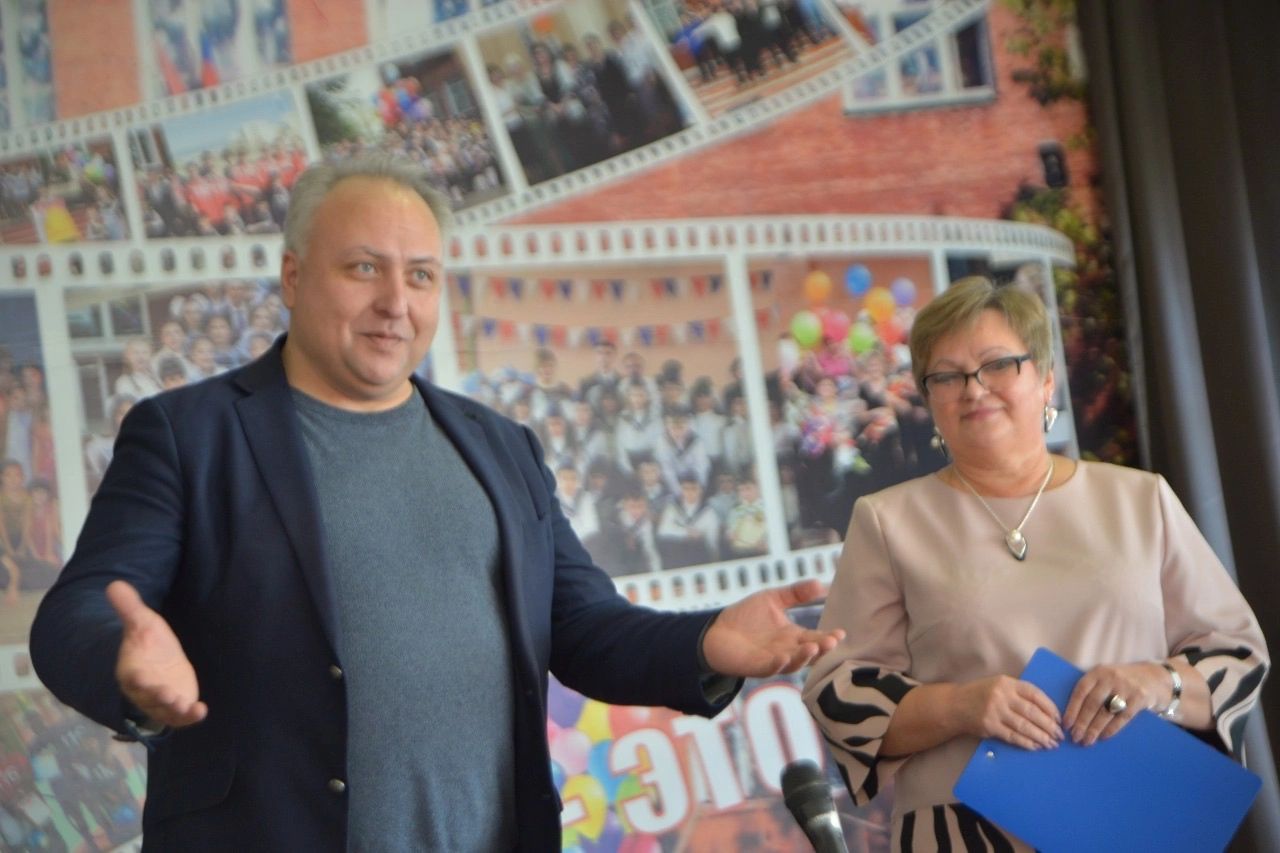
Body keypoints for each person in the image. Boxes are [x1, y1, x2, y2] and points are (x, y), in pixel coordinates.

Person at [29, 153, 842, 852]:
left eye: (420, 275)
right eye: (363, 268)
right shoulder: (189, 433)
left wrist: (706, 641)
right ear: (293, 275)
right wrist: (124, 664)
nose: (397, 301)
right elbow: (73, 615)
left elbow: (585, 627)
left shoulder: (501, 446)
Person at [803, 277, 1269, 849]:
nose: (974, 389)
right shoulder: (886, 520)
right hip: (962, 831)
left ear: (1046, 379)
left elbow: (1235, 654)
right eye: (947, 376)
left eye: (998, 364)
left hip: (1131, 820)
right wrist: (960, 706)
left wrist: (1156, 683)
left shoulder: (1140, 498)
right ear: (928, 400)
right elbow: (839, 694)